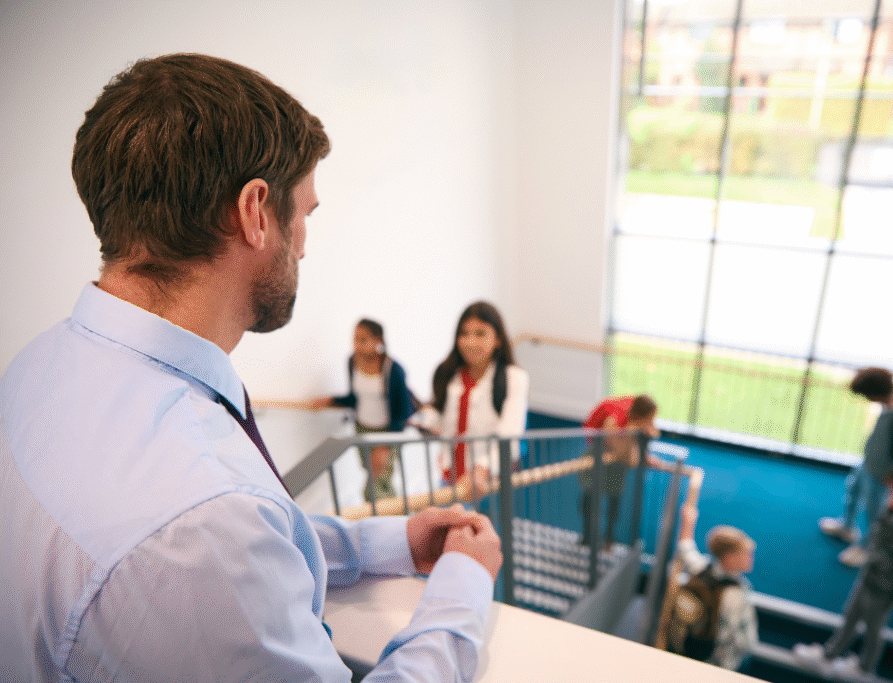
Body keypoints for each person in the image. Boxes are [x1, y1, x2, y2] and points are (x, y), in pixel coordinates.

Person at [0, 53, 502, 682]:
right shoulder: (202, 523)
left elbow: (244, 556)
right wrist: (464, 582)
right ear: (255, 211)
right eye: (306, 213)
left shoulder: (37, 369)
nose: (304, 242)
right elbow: (214, 548)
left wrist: (385, 543)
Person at [794, 465, 893, 679]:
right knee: (851, 617)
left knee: (873, 628)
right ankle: (830, 655)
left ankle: (865, 669)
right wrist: (890, 513)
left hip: (886, 587)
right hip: (870, 577)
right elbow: (878, 537)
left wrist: (889, 516)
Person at [418, 301, 528, 496]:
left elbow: (509, 435)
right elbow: (439, 414)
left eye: (480, 333)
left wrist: (481, 470)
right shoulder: (448, 374)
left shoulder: (514, 378)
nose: (470, 342)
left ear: (498, 339)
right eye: (464, 333)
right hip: (448, 478)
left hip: (488, 483)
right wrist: (425, 419)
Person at [819, 367, 893, 566]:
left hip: (883, 474)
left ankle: (868, 548)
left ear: (875, 393)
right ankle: (847, 527)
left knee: (875, 513)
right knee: (853, 491)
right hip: (868, 465)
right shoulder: (888, 408)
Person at [304, 319, 417, 501]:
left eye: (363, 340)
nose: (357, 345)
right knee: (374, 477)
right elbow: (355, 398)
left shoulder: (393, 370)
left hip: (387, 432)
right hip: (363, 428)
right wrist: (329, 401)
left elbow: (402, 411)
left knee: (378, 482)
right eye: (355, 339)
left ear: (378, 341)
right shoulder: (352, 362)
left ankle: (383, 518)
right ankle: (386, 516)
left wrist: (385, 446)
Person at [670, 502, 758, 672]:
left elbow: (685, 547)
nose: (750, 558)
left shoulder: (703, 569)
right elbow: (740, 640)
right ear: (730, 558)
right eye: (746, 554)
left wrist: (688, 522)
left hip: (690, 647)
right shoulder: (735, 594)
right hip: (716, 664)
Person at [577, 394, 665, 548]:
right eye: (649, 418)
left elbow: (640, 437)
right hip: (599, 445)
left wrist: (644, 455)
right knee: (591, 496)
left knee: (613, 496)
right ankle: (588, 539)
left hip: (615, 444)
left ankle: (608, 539)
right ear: (639, 417)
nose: (651, 421)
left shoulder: (637, 408)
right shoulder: (615, 418)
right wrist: (638, 453)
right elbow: (618, 447)